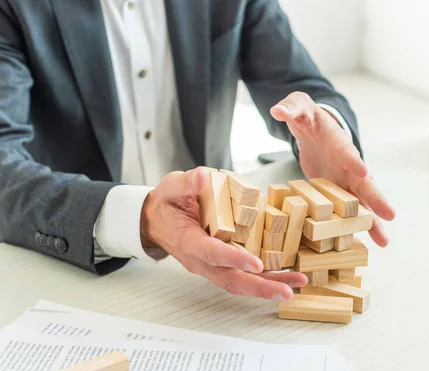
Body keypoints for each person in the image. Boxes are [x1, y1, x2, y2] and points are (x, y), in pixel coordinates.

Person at [0, 0, 395, 302]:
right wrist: (140, 217)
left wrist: (323, 127)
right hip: (75, 266)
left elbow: (300, 83)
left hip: (227, 267)